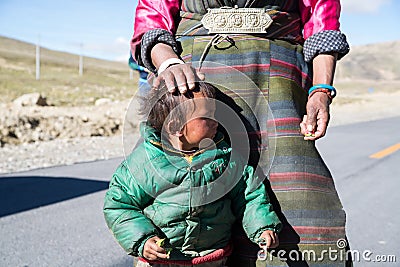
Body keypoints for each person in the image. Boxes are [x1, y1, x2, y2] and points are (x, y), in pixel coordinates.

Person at [130, 1, 351, 266]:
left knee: (300, 211)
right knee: (184, 198)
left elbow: (322, 14)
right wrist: (168, 63)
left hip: (278, 77)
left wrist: (321, 89)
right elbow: (153, 13)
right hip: (193, 78)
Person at [103, 82, 283, 267]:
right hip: (160, 261)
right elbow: (119, 205)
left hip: (212, 259)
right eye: (207, 117)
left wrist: (262, 227)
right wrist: (142, 240)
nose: (216, 122)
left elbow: (248, 195)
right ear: (176, 127)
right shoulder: (143, 164)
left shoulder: (226, 160)